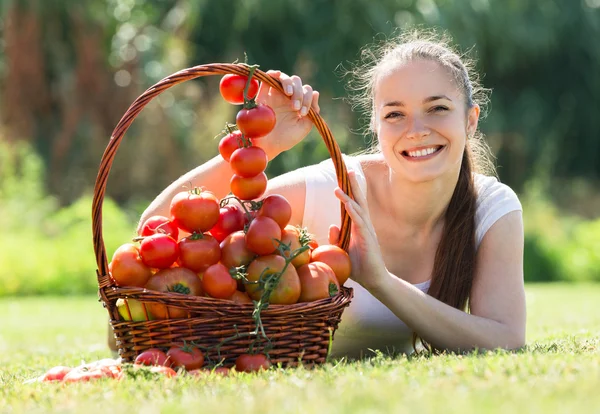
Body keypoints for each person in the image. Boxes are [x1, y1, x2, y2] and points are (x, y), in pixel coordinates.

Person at [128, 30, 525, 358]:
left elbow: (506, 339)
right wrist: (263, 147)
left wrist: (380, 281)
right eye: (395, 114)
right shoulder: (332, 189)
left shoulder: (492, 209)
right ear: (376, 126)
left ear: (470, 120)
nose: (417, 129)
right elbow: (155, 232)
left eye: (437, 108)